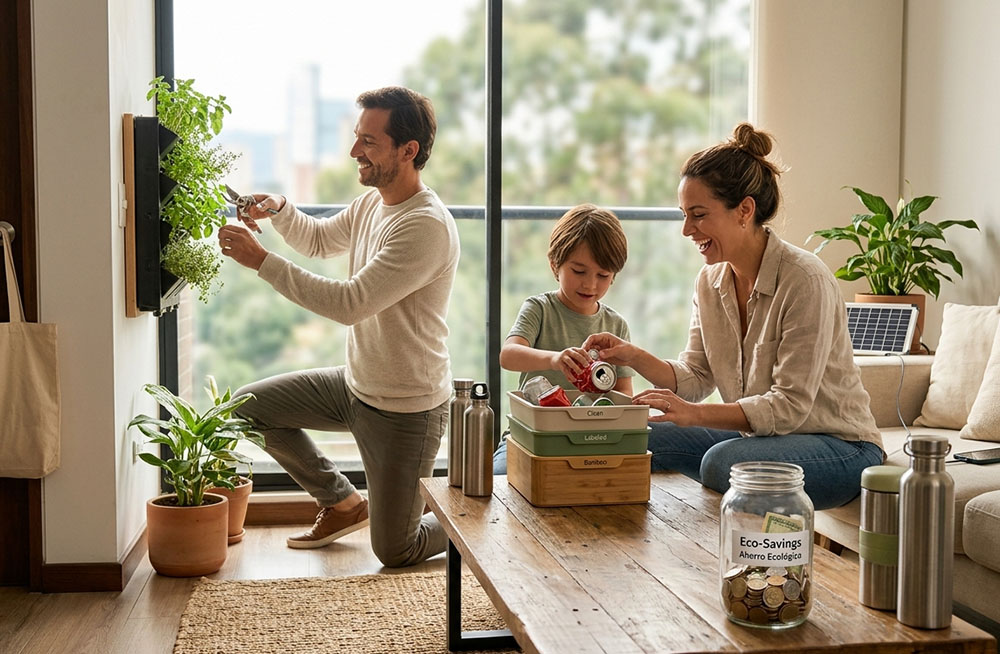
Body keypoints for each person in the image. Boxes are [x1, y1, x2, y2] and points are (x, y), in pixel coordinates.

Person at [216, 86, 459, 567]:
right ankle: (344, 502)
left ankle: (470, 520)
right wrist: (280, 209)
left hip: (406, 408)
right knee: (245, 409)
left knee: (396, 549)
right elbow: (321, 239)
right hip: (355, 385)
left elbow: (350, 303)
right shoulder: (373, 204)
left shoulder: (424, 225)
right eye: (356, 138)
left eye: (369, 142)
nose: (354, 152)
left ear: (408, 151)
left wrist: (262, 261)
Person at [583, 123, 884, 510]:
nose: (687, 230)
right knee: (635, 433)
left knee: (721, 464)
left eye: (699, 215)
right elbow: (695, 377)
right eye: (684, 215)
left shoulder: (805, 280)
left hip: (840, 447)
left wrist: (694, 415)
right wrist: (633, 356)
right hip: (760, 439)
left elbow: (789, 407)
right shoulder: (710, 282)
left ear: (744, 210)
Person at [493, 204, 633, 473]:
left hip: (591, 443)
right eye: (579, 271)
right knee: (501, 479)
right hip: (529, 436)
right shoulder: (539, 308)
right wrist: (555, 359)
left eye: (603, 275)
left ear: (614, 276)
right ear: (555, 264)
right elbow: (508, 355)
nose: (590, 285)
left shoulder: (616, 325)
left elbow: (624, 395)